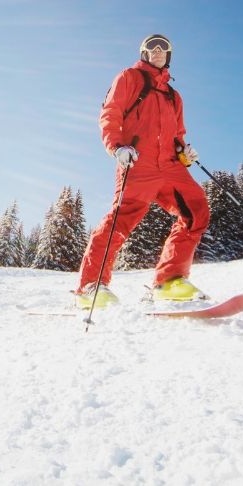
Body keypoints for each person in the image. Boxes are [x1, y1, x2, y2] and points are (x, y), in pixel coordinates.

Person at [75, 34, 211, 308]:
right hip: (138, 162)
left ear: (169, 55)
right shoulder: (129, 78)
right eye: (152, 46)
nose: (157, 50)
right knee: (121, 219)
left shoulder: (174, 96)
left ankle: (169, 281)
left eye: (163, 47)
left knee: (196, 211)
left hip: (171, 167)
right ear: (144, 52)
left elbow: (178, 134)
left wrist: (184, 153)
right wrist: (117, 147)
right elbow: (110, 114)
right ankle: (91, 287)